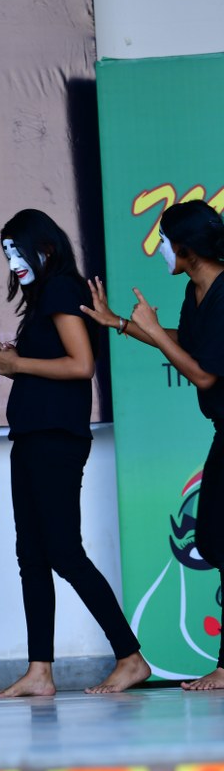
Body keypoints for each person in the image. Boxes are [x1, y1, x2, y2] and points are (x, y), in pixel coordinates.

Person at [0, 209, 150, 697]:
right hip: (33, 435)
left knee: (63, 551)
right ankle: (40, 671)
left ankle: (130, 657)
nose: (12, 261)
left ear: (46, 247)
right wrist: (19, 360)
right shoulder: (45, 295)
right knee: (32, 555)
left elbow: (81, 366)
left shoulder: (61, 287)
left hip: (55, 438)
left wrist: (17, 364)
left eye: (18, 250)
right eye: (6, 253)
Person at [81, 199, 224, 691]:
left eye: (164, 241)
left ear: (186, 249)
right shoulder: (195, 290)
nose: (160, 249)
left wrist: (152, 329)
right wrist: (122, 324)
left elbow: (203, 374)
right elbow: (187, 345)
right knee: (214, 537)